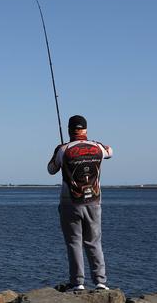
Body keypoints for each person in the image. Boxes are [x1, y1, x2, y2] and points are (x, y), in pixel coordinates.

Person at [48, 115, 113, 291]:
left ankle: (78, 283)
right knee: (94, 241)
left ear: (70, 130)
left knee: (74, 242)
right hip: (94, 200)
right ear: (85, 129)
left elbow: (51, 169)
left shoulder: (63, 149)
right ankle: (100, 281)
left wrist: (59, 150)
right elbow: (110, 151)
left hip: (70, 202)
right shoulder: (98, 147)